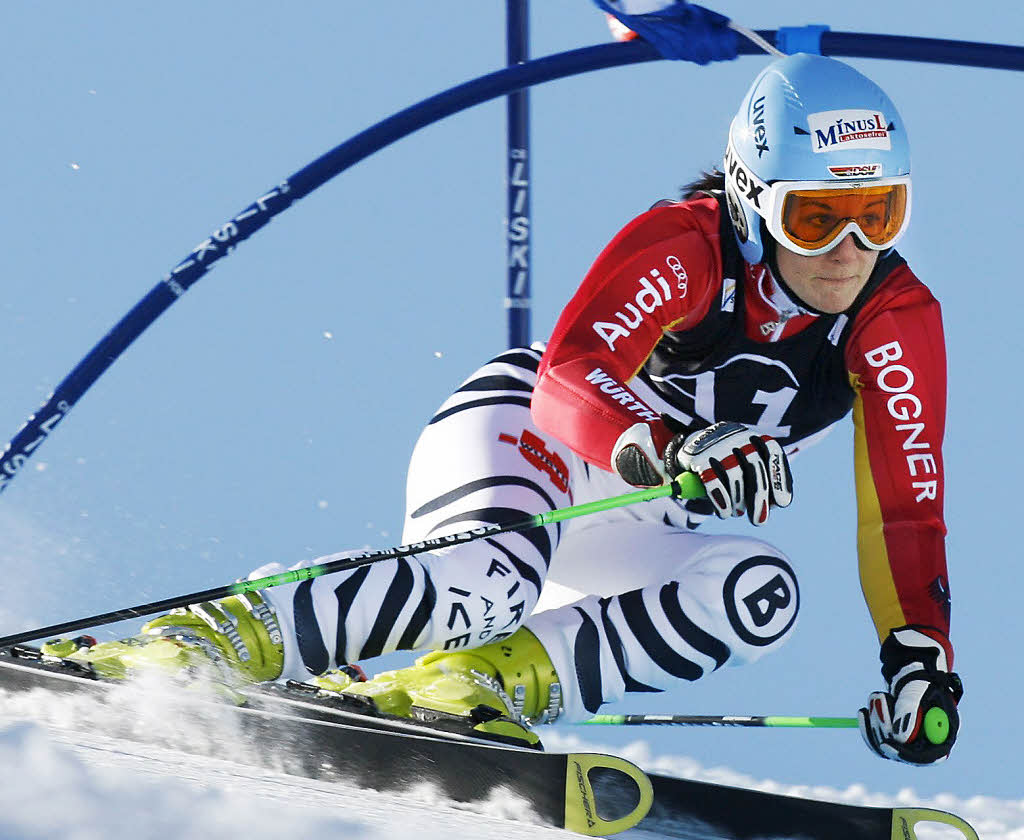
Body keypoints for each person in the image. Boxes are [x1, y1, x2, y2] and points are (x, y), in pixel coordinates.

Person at [48, 53, 962, 765]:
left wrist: (919, 657)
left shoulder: (895, 318)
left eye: (879, 214)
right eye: (816, 219)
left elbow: (906, 508)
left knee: (759, 595)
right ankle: (205, 639)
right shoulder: (689, 246)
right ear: (754, 201)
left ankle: (476, 682)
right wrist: (670, 443)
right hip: (532, 436)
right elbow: (571, 373)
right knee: (486, 582)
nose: (850, 250)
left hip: (638, 512)